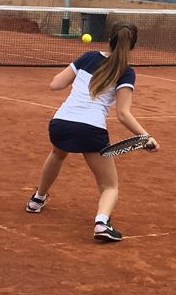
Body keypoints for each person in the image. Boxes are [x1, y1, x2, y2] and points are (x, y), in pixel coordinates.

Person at [25, 21, 158, 241]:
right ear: (132, 46)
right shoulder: (126, 72)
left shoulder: (87, 57)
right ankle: (102, 223)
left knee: (57, 153)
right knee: (110, 186)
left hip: (60, 123)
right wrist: (146, 136)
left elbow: (55, 84)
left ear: (109, 40)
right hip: (90, 129)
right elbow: (123, 114)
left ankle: (37, 199)